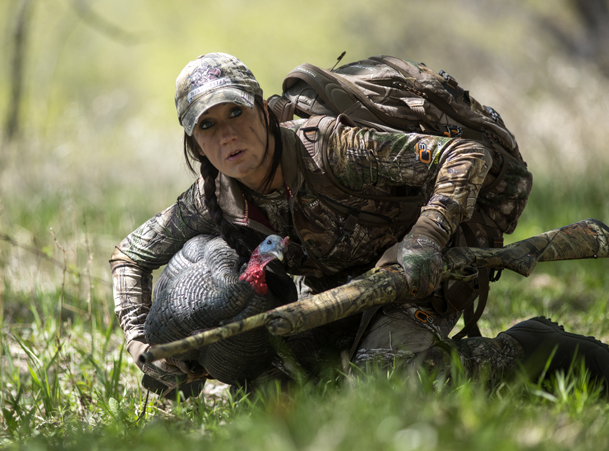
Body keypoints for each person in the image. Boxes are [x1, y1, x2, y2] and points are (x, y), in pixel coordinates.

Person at [110, 52, 609, 394]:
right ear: (195, 143)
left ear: (263, 111)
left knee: (383, 391)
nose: (228, 135)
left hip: (424, 270)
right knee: (289, 393)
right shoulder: (212, 196)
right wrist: (138, 338)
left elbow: (465, 155)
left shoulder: (332, 148)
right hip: (338, 291)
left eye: (236, 112)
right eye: (208, 125)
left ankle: (531, 350)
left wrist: (424, 240)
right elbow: (129, 255)